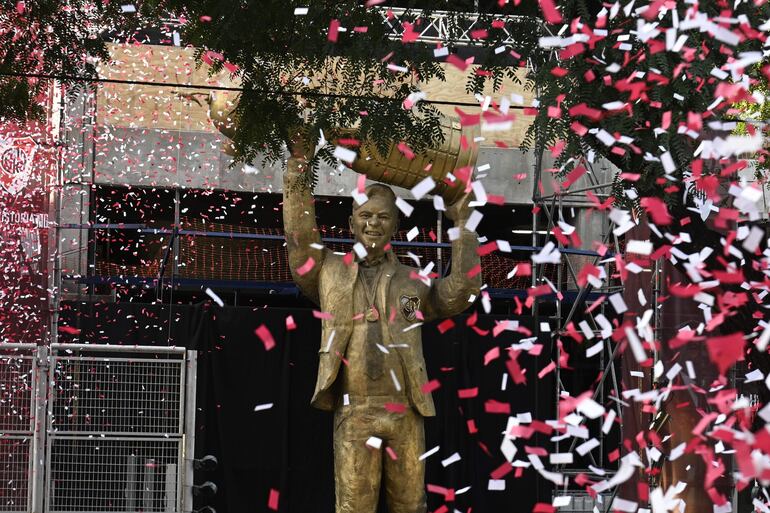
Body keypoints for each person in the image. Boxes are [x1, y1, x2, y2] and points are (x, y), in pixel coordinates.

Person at [283, 141, 481, 513]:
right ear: (351, 223)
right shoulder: (328, 271)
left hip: (405, 411)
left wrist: (464, 224)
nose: (374, 223)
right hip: (353, 409)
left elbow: (462, 294)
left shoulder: (413, 280)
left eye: (383, 217)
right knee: (354, 505)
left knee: (411, 505)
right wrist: (298, 166)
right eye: (366, 215)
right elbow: (299, 239)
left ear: (395, 224)